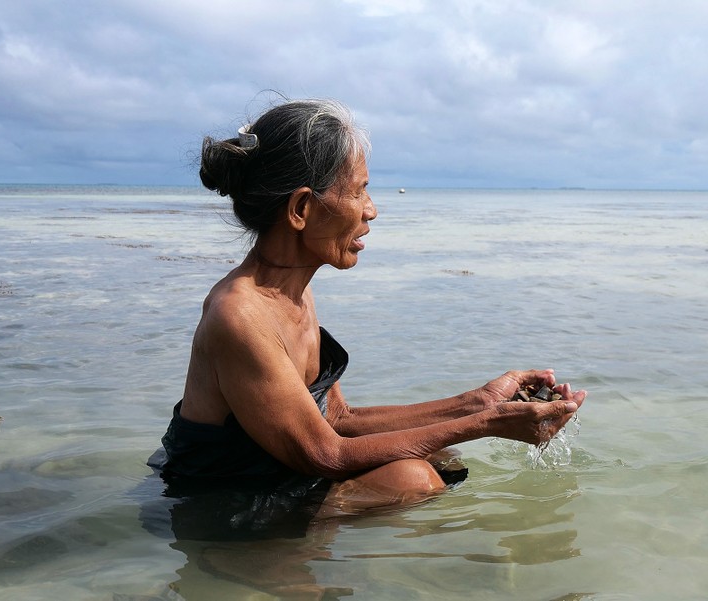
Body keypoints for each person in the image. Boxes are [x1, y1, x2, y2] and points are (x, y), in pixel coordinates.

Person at [147, 98, 586, 537]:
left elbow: (339, 418)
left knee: (439, 459)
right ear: (301, 209)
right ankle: (269, 565)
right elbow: (326, 454)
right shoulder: (239, 314)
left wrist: (483, 401)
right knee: (412, 478)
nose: (371, 209)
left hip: (271, 471)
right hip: (211, 503)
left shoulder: (292, 292)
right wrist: (488, 425)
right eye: (358, 191)